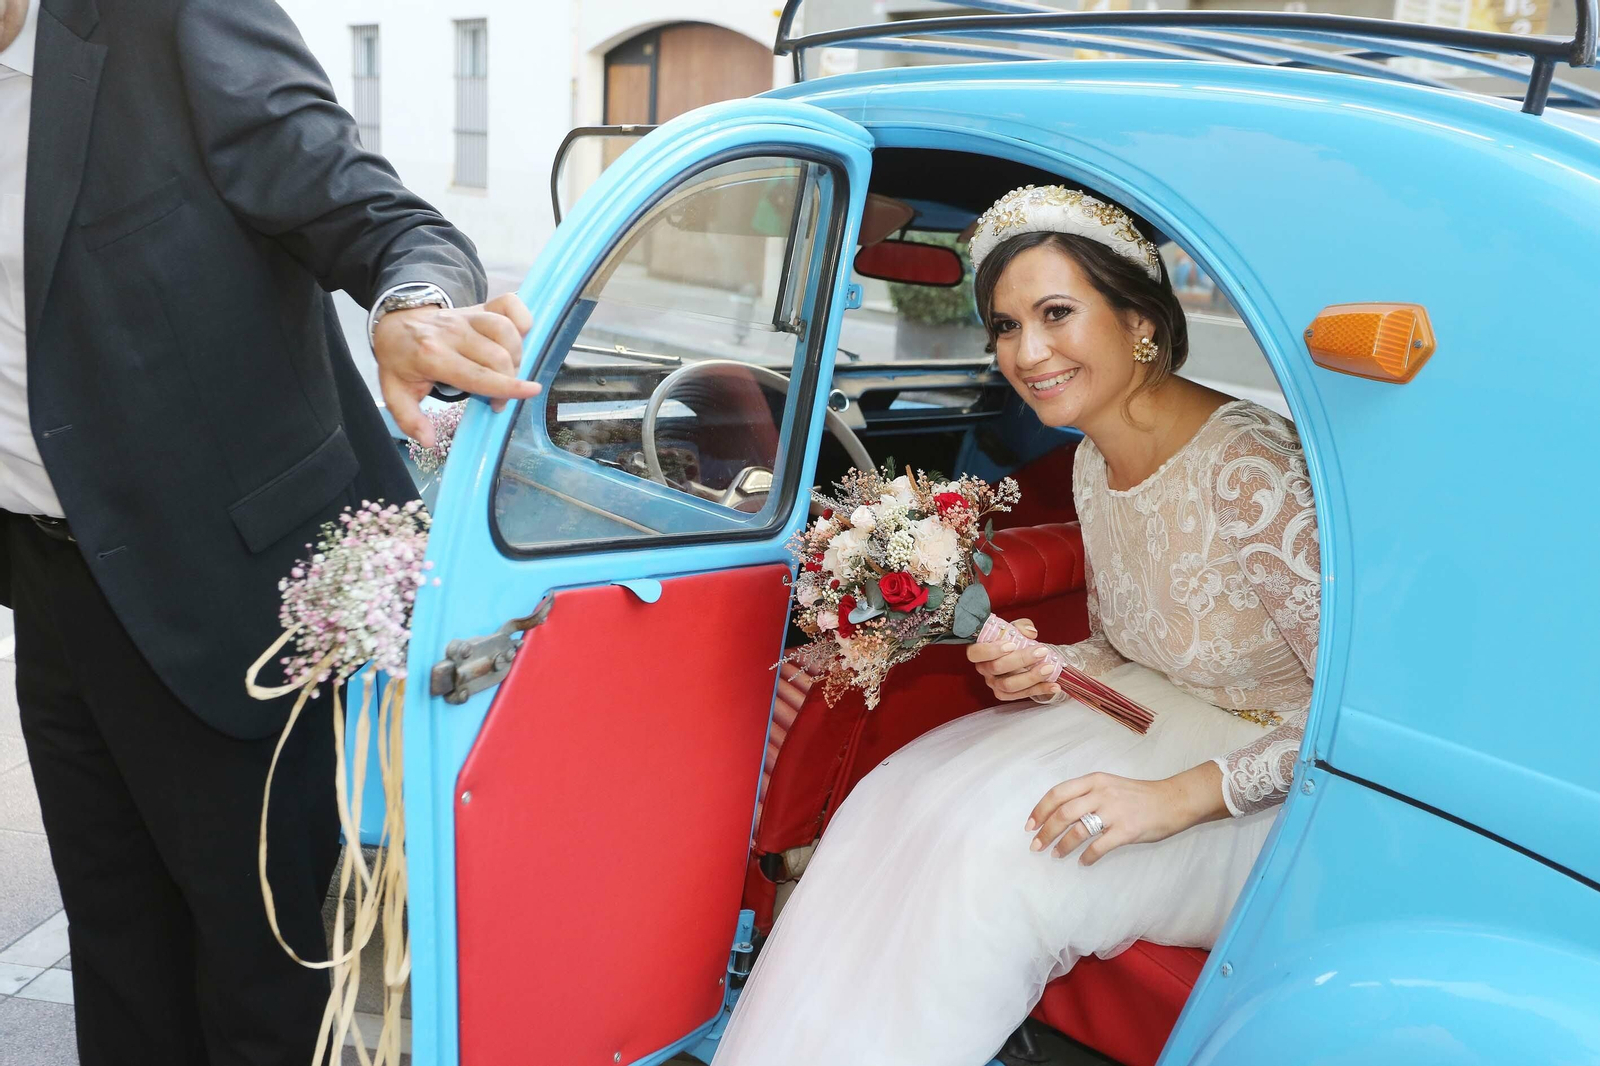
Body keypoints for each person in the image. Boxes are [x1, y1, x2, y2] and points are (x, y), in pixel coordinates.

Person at [0, 0, 538, 1061]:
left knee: (263, 975)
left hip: (232, 592)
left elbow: (371, 213)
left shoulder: (164, 20)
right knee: (116, 951)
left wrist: (414, 300)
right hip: (49, 585)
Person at [711, 184, 1319, 1066]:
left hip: (1268, 799)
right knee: (892, 801)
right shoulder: (1086, 459)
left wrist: (1168, 801)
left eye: (1057, 313)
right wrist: (1049, 662)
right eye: (1004, 326)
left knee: (988, 859)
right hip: (1153, 718)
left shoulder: (1250, 466)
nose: (1028, 353)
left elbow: (1364, 714)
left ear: (1140, 319)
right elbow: (1125, 644)